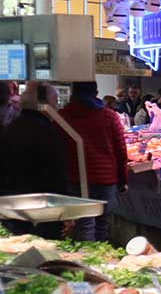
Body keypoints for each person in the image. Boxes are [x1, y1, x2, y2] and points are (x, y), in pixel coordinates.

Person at [59, 81, 128, 243]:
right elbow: (121, 151)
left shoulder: (61, 116)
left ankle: (86, 261)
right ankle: (98, 259)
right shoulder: (109, 116)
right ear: (96, 93)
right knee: (101, 224)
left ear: (72, 92)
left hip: (74, 179)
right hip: (104, 180)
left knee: (83, 224)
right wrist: (123, 180)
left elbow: (56, 149)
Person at [0, 81, 66, 239]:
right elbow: (55, 174)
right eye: (54, 103)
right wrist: (64, 211)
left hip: (12, 206)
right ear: (44, 104)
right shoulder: (47, 132)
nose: (56, 108)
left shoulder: (12, 126)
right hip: (41, 209)